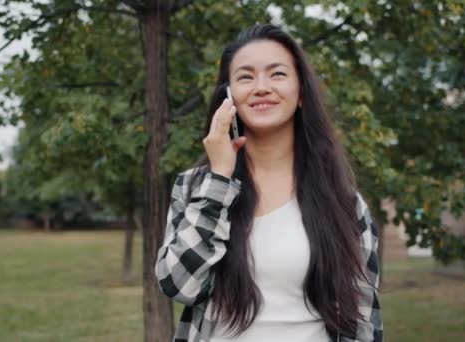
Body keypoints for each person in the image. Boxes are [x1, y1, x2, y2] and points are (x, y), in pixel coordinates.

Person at [155, 24, 383, 342]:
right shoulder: (195, 188)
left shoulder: (343, 200)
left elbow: (363, 320)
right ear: (228, 97)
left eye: (277, 74)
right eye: (245, 77)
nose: (261, 87)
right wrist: (220, 177)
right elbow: (179, 284)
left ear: (301, 93)